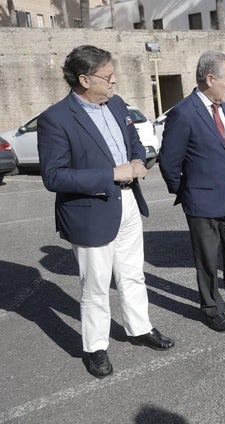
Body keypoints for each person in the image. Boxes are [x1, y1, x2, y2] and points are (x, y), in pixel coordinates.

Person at [37, 45, 174, 379]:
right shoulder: (55, 119)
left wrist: (139, 160)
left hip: (128, 201)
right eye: (108, 77)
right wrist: (112, 174)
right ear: (85, 79)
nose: (114, 81)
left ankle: (139, 328)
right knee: (95, 285)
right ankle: (95, 347)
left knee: (132, 273)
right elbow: (54, 177)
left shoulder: (115, 103)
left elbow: (133, 140)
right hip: (89, 211)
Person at [159, 51, 225, 332]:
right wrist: (186, 193)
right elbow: (169, 162)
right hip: (201, 200)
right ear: (210, 79)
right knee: (207, 258)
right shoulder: (183, 113)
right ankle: (211, 307)